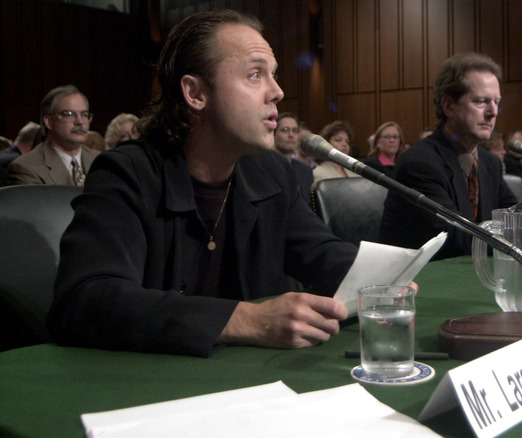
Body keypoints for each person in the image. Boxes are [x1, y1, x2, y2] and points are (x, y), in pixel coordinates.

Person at [46, 9, 358, 357]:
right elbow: (85, 300)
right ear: (195, 93)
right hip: (149, 388)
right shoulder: (128, 173)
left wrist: (386, 275)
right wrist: (245, 319)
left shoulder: (271, 173)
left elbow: (322, 254)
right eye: (255, 75)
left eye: (274, 76)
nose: (278, 92)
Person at [379, 53, 518, 259]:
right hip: (420, 282)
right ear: (449, 106)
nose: (493, 112)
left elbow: (514, 217)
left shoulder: (490, 163)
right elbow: (456, 238)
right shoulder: (419, 164)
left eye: (496, 102)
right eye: (481, 102)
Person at [7, 85, 100, 186]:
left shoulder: (101, 160)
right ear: (49, 121)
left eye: (85, 114)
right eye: (69, 114)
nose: (80, 121)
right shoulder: (26, 167)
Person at [273, 112, 313, 206]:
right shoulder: (263, 167)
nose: (291, 135)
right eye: (285, 130)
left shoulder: (306, 171)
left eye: (295, 130)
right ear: (274, 134)